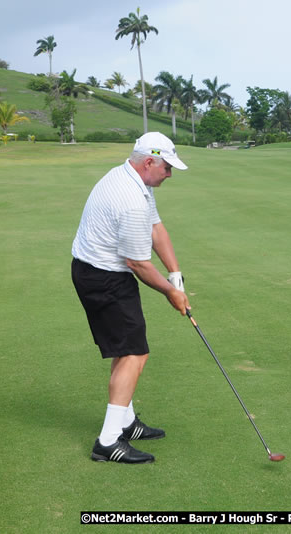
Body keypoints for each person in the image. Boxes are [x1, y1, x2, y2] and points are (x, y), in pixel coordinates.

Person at [71, 132, 191, 464]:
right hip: (103, 278)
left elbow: (157, 228)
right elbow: (138, 263)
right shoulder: (130, 199)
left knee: (128, 349)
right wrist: (171, 294)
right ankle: (108, 441)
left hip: (103, 272)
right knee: (135, 353)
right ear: (149, 161)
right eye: (167, 168)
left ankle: (126, 422)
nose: (169, 174)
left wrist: (175, 275)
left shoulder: (132, 178)